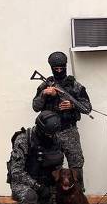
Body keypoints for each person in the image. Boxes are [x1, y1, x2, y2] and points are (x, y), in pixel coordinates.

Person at [32, 51, 91, 190]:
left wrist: (72, 105)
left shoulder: (75, 86)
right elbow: (35, 107)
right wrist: (44, 94)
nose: (59, 71)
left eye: (61, 68)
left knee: (76, 164)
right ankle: (54, 200)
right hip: (50, 134)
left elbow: (87, 108)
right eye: (56, 68)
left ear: (65, 66)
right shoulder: (45, 85)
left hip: (69, 131)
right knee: (52, 166)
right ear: (51, 68)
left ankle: (78, 196)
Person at [7, 111, 65, 204]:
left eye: (53, 134)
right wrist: (38, 187)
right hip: (24, 182)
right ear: (40, 129)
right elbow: (16, 172)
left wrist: (57, 185)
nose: (52, 136)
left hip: (45, 181)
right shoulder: (23, 139)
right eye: (49, 134)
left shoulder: (55, 138)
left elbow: (57, 163)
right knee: (30, 196)